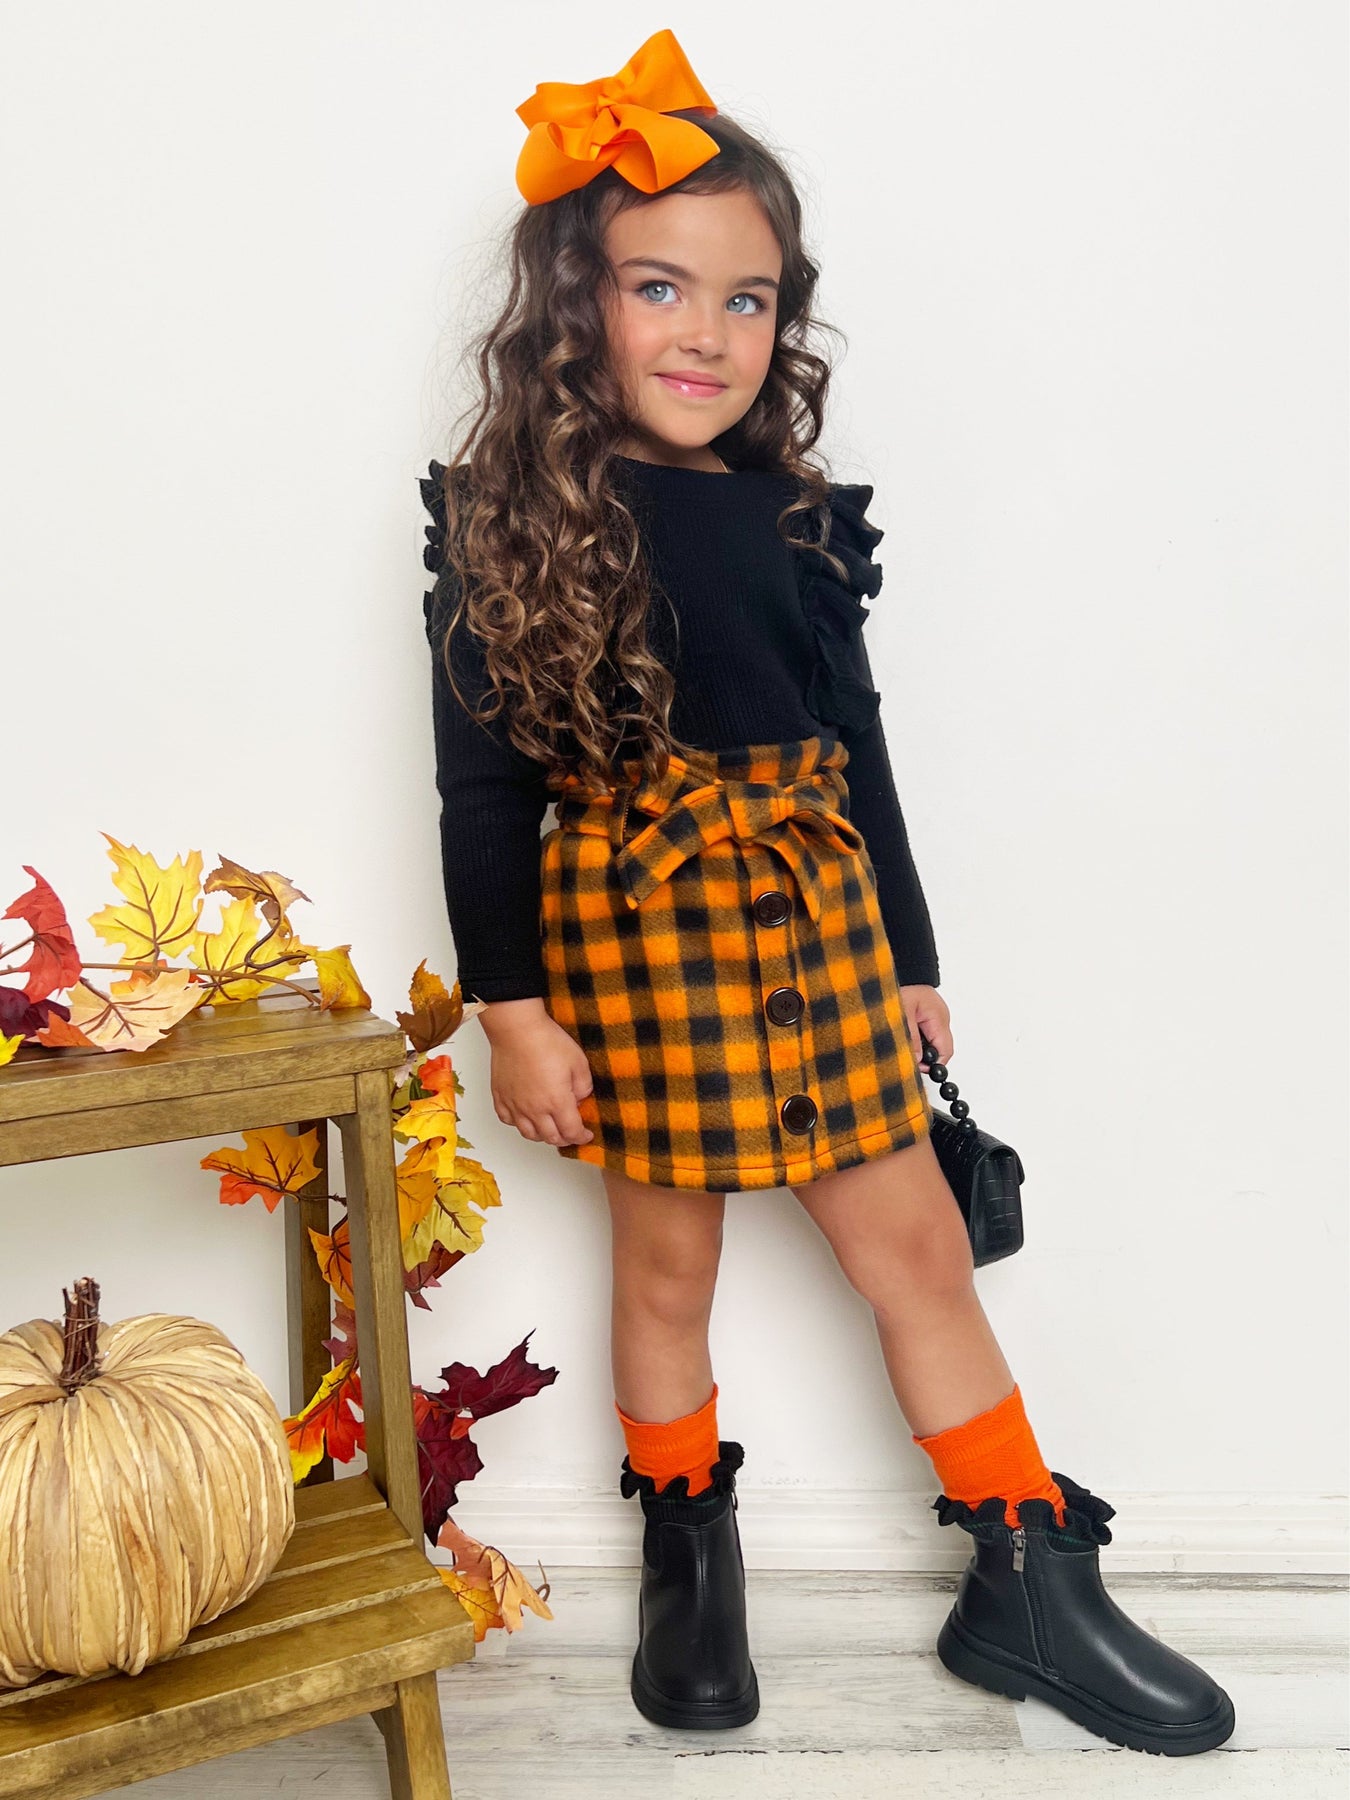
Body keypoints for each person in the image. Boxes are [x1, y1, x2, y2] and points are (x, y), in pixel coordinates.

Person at [420, 26, 1234, 1755]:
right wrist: (512, 1012)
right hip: (636, 934)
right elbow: (481, 790)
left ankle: (1024, 1576)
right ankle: (687, 1559)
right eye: (658, 287)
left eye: (747, 299)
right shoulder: (507, 520)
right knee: (665, 1268)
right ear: (574, 303)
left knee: (918, 1247)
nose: (705, 334)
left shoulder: (793, 520)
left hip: (816, 916)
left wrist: (911, 956)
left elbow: (857, 752)